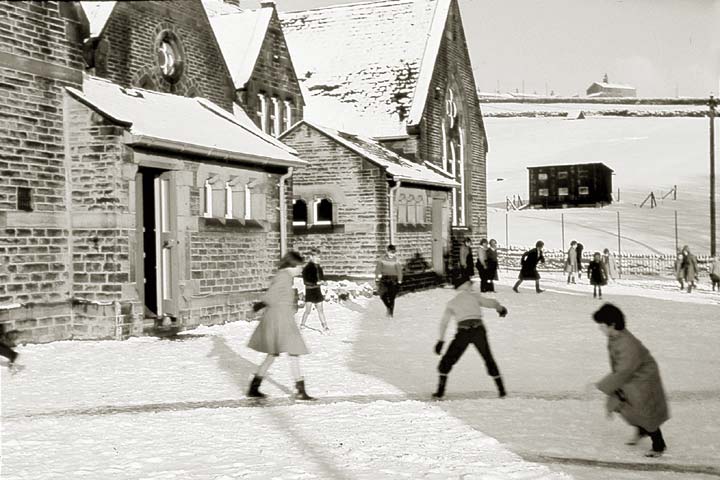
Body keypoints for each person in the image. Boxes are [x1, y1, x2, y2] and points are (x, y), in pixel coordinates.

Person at [592, 303, 669, 458]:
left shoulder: (627, 343)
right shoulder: (615, 335)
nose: (600, 329)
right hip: (632, 375)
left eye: (602, 326)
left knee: (645, 411)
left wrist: (601, 385)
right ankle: (641, 430)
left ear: (612, 324)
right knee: (628, 406)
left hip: (643, 378)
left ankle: (659, 445)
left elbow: (624, 371)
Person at [247, 251, 315, 400]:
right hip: (280, 320)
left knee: (273, 354)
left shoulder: (285, 277)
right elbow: (271, 295)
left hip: (282, 319)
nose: (301, 270)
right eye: (299, 266)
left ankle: (254, 387)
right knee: (293, 351)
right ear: (292, 265)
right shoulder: (283, 278)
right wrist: (258, 306)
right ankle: (300, 390)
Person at [432, 274, 509, 399]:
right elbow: (491, 303)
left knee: (448, 359)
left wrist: (441, 340)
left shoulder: (452, 303)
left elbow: (444, 323)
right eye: (470, 284)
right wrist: (500, 309)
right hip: (479, 330)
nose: (472, 286)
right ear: (466, 285)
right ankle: (501, 390)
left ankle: (440, 391)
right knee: (487, 357)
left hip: (463, 332)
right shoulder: (474, 297)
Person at [300, 248, 329, 332]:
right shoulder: (307, 269)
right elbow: (306, 281)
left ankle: (325, 326)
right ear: (311, 257)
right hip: (310, 291)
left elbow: (321, 278)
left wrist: (323, 281)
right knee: (308, 310)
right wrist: (316, 283)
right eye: (317, 257)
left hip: (317, 291)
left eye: (319, 257)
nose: (319, 259)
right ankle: (302, 324)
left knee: (320, 310)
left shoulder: (319, 268)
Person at [375, 244, 403, 317]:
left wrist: (399, 280)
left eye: (394, 252)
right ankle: (388, 307)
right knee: (382, 295)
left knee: (392, 297)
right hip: (384, 278)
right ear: (387, 252)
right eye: (391, 252)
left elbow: (399, 271)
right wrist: (377, 278)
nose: (392, 254)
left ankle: (391, 313)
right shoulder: (382, 259)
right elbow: (378, 269)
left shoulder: (396, 260)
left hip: (393, 279)